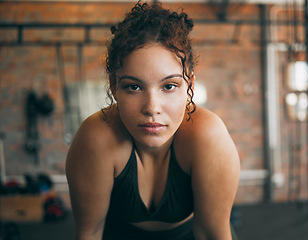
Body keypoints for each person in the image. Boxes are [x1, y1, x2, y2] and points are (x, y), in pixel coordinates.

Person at [65, 1, 240, 240]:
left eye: (169, 86)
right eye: (134, 87)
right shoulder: (96, 137)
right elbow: (90, 233)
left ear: (190, 85)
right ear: (114, 87)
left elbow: (211, 234)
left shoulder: (208, 136)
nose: (151, 108)